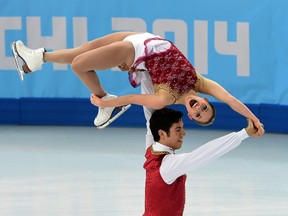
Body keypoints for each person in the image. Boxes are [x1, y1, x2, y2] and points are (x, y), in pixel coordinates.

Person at [11, 32, 264, 136]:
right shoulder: (201, 83)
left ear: (188, 113)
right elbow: (231, 100)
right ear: (207, 101)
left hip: (134, 51)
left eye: (196, 115)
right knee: (85, 49)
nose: (198, 109)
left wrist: (105, 100)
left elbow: (132, 100)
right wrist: (255, 120)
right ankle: (37, 58)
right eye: (204, 109)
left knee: (79, 63)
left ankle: (106, 103)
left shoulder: (164, 99)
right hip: (145, 37)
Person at [143, 107, 258, 215]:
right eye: (178, 129)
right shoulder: (168, 166)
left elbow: (149, 118)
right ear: (162, 134)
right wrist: (244, 133)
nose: (183, 133)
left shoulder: (152, 150)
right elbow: (206, 152)